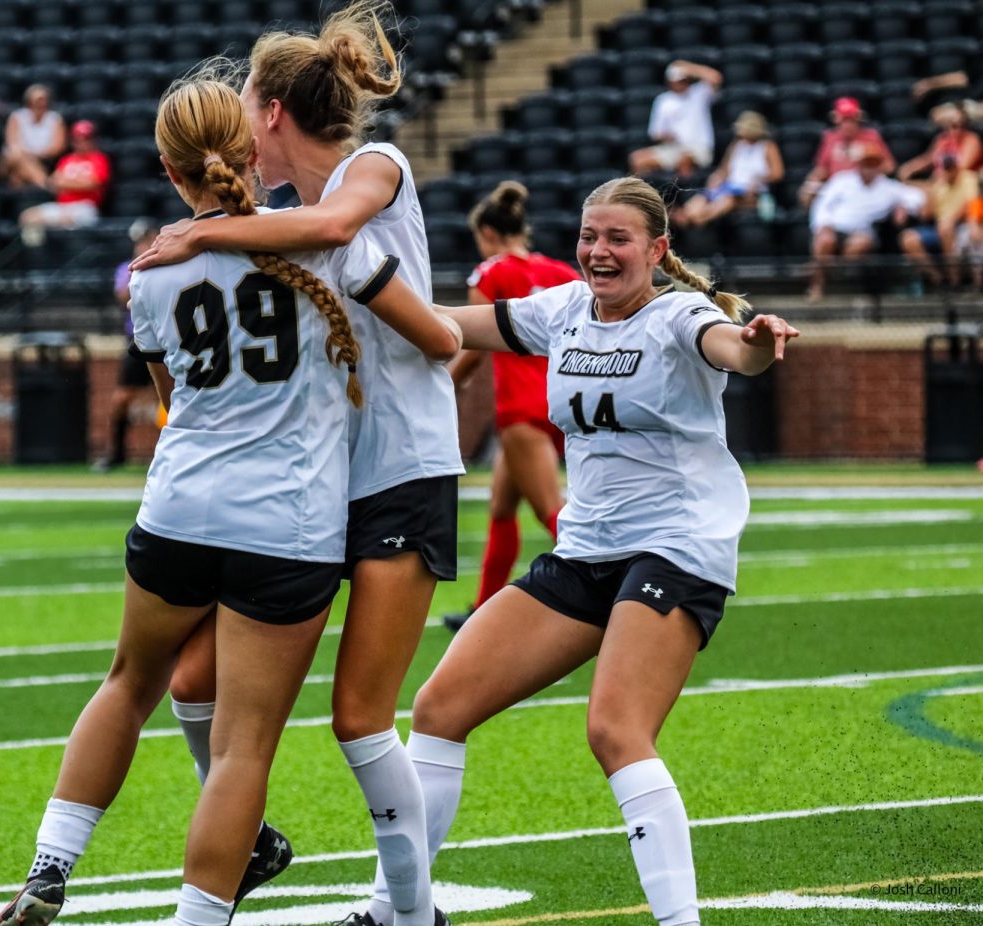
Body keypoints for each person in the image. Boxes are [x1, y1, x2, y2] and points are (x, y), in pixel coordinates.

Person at [0, 73, 460, 926]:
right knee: (244, 749)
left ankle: (50, 868)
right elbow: (436, 335)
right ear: (251, 150)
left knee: (129, 683)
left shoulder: (151, 273)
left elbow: (171, 397)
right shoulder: (325, 245)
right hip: (288, 522)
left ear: (171, 171)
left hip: (176, 509)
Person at [385, 176, 798, 926]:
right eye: (588, 237)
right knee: (440, 707)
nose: (598, 252)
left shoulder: (680, 316)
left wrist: (760, 344)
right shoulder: (564, 310)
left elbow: (735, 350)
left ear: (657, 250)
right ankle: (399, 912)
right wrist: (356, 299)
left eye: (617, 239)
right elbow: (451, 327)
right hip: (586, 548)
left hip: (675, 547)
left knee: (614, 729)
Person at [131, 5, 464, 926]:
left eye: (244, 98)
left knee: (359, 714)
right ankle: (252, 837)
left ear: (272, 111)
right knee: (192, 683)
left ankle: (409, 913)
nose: (235, 120)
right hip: (315, 486)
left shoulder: (373, 168)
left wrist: (198, 234)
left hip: (403, 470)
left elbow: (338, 230)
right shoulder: (276, 219)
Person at [439, 181, 579, 633]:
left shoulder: (490, 274)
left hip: (520, 407)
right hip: (559, 401)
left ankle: (613, 579)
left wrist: (444, 385)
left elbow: (476, 344)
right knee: (501, 507)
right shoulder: (561, 272)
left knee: (550, 510)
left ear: (487, 233)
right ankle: (483, 609)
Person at [807, 143, 925, 301]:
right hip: (834, 228)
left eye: (873, 163)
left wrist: (903, 206)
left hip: (862, 232)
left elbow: (917, 197)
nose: (869, 167)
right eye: (866, 163)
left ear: (879, 166)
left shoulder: (888, 187)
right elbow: (822, 204)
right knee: (824, 241)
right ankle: (816, 288)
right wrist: (823, 225)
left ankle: (838, 280)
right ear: (858, 164)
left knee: (860, 244)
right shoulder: (842, 180)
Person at [95, 219, 161, 472]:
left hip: (164, 335)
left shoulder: (167, 261)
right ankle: (116, 453)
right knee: (122, 398)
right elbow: (124, 294)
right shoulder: (130, 267)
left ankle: (165, 451)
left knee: (168, 398)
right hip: (137, 339)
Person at [673, 111, 783, 229]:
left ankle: (699, 219)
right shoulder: (736, 145)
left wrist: (758, 179)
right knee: (702, 198)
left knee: (727, 200)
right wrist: (716, 178)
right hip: (729, 187)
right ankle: (688, 214)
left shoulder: (768, 147)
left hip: (750, 193)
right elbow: (724, 170)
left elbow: (778, 173)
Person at [628, 60, 722, 179]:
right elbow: (656, 134)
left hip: (699, 149)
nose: (681, 84)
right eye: (678, 81)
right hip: (673, 148)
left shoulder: (699, 93)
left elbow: (715, 78)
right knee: (637, 159)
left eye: (684, 80)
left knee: (684, 160)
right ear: (670, 82)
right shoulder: (663, 100)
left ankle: (684, 192)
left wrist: (689, 66)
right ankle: (642, 193)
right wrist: (668, 137)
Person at [899, 154, 979, 289]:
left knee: (945, 228)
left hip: (961, 225)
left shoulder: (967, 178)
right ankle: (938, 280)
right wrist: (929, 191)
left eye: (951, 167)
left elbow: (971, 204)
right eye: (946, 168)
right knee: (908, 239)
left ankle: (955, 281)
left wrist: (952, 219)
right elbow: (926, 215)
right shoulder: (938, 184)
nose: (949, 171)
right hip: (939, 227)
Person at [798, 97, 895, 208]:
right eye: (844, 120)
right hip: (837, 189)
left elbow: (889, 167)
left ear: (858, 119)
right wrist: (811, 184)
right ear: (837, 120)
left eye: (851, 120)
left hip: (864, 188)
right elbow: (822, 169)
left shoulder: (871, 136)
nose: (847, 125)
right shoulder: (830, 138)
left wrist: (869, 167)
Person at [19, 120, 110, 233]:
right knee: (28, 217)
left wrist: (66, 183)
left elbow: (94, 183)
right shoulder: (66, 160)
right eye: (78, 139)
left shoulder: (99, 159)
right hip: (62, 206)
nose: (81, 142)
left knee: (66, 220)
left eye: (86, 138)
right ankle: (37, 250)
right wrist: (77, 183)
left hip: (85, 207)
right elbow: (53, 183)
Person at [0, 84, 68, 189]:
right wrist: (28, 156)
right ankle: (45, 184)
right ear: (29, 101)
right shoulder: (17, 117)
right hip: (10, 161)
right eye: (38, 99)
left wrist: (32, 155)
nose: (41, 102)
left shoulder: (55, 119)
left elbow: (57, 148)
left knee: (17, 176)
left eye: (44, 99)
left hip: (41, 161)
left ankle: (20, 183)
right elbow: (12, 145)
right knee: (15, 156)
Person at [897, 101, 982, 182]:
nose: (956, 129)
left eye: (962, 124)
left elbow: (961, 168)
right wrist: (909, 168)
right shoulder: (942, 139)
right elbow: (927, 159)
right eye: (952, 125)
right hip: (939, 183)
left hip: (958, 184)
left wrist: (939, 178)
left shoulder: (971, 139)